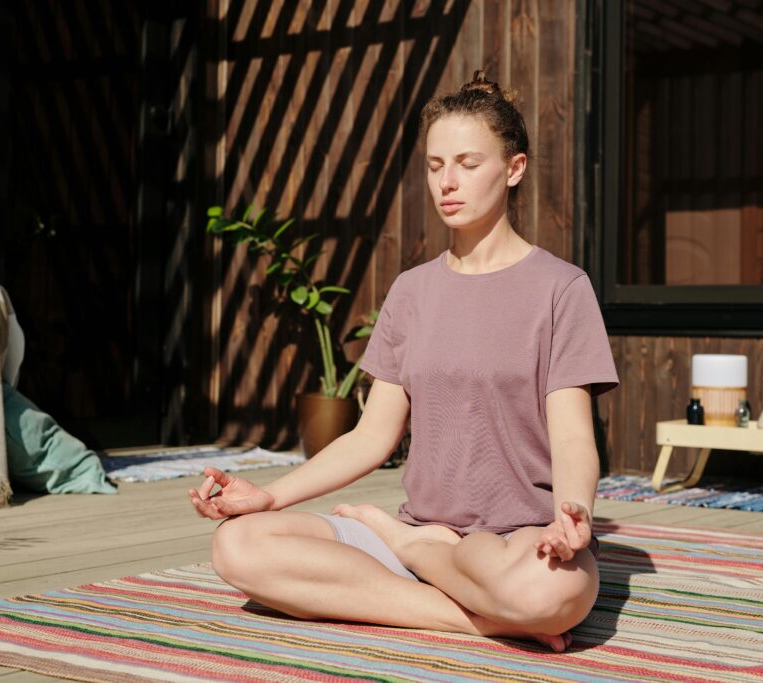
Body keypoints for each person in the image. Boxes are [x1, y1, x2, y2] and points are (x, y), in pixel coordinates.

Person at [189, 71, 620, 653]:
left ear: (514, 169)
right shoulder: (411, 292)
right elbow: (372, 437)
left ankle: (424, 561)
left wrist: (573, 517)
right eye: (435, 165)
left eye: (468, 164)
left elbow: (572, 438)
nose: (447, 182)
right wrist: (269, 497)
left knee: (552, 593)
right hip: (423, 528)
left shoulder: (561, 289)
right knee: (237, 546)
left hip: (520, 542)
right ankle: (472, 613)